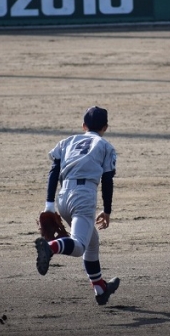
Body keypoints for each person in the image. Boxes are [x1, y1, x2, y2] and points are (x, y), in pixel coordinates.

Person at [34, 106, 120, 305]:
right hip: (83, 197)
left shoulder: (67, 142)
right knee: (80, 245)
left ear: (83, 126)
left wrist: (49, 205)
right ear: (105, 127)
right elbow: (107, 180)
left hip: (63, 196)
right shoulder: (105, 146)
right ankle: (50, 248)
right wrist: (107, 211)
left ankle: (100, 288)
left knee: (92, 242)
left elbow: (53, 172)